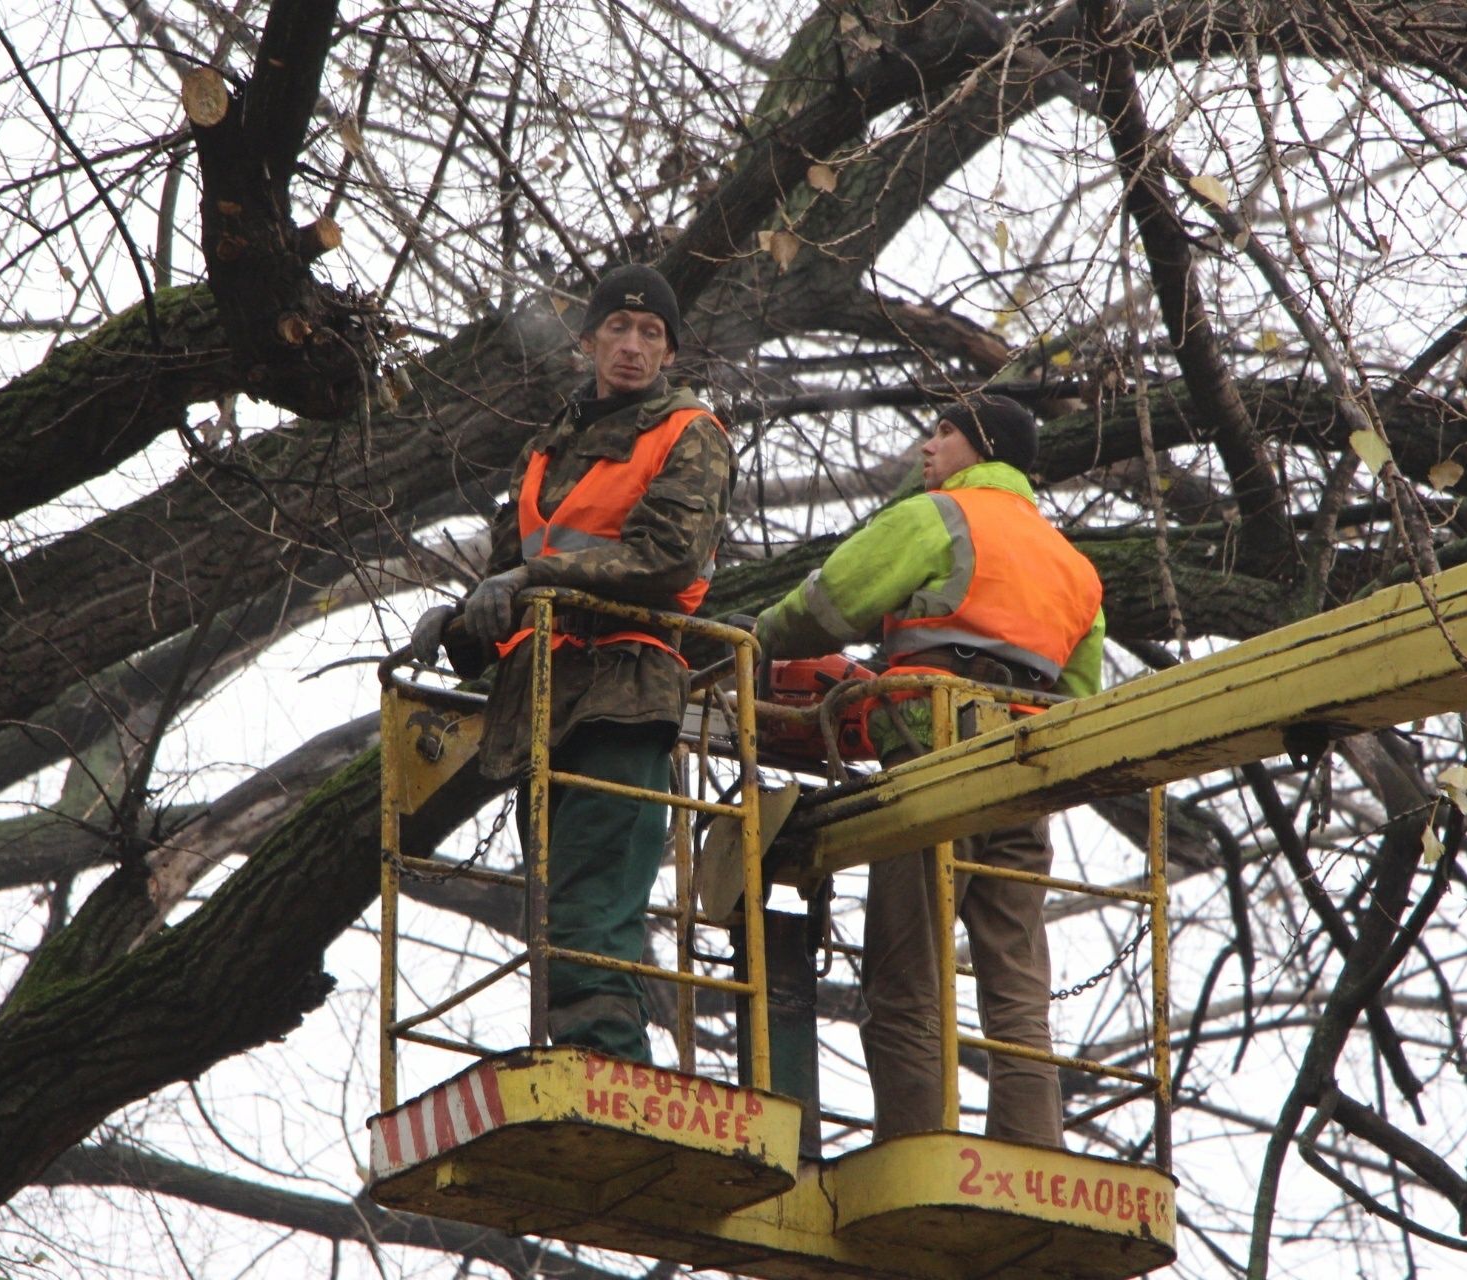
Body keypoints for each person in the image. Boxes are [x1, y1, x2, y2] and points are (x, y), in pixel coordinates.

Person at [754, 393, 1103, 1147]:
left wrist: (763, 638)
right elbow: (1080, 699)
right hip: (1024, 779)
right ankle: (1032, 1149)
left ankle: (914, 1149)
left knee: (907, 974)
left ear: (979, 445)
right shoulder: (1075, 569)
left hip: (933, 758)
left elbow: (831, 599)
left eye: (943, 432)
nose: (927, 447)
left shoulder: (938, 516)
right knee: (1017, 990)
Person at [411, 263, 734, 1063]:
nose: (632, 346)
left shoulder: (688, 431)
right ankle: (585, 1050)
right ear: (588, 343)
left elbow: (665, 556)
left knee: (592, 905)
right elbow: (504, 577)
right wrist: (458, 625)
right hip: (542, 710)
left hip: (623, 693)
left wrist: (526, 580)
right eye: (618, 331)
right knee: (555, 911)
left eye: (650, 334)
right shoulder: (545, 453)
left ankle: (607, 1063)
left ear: (668, 354)